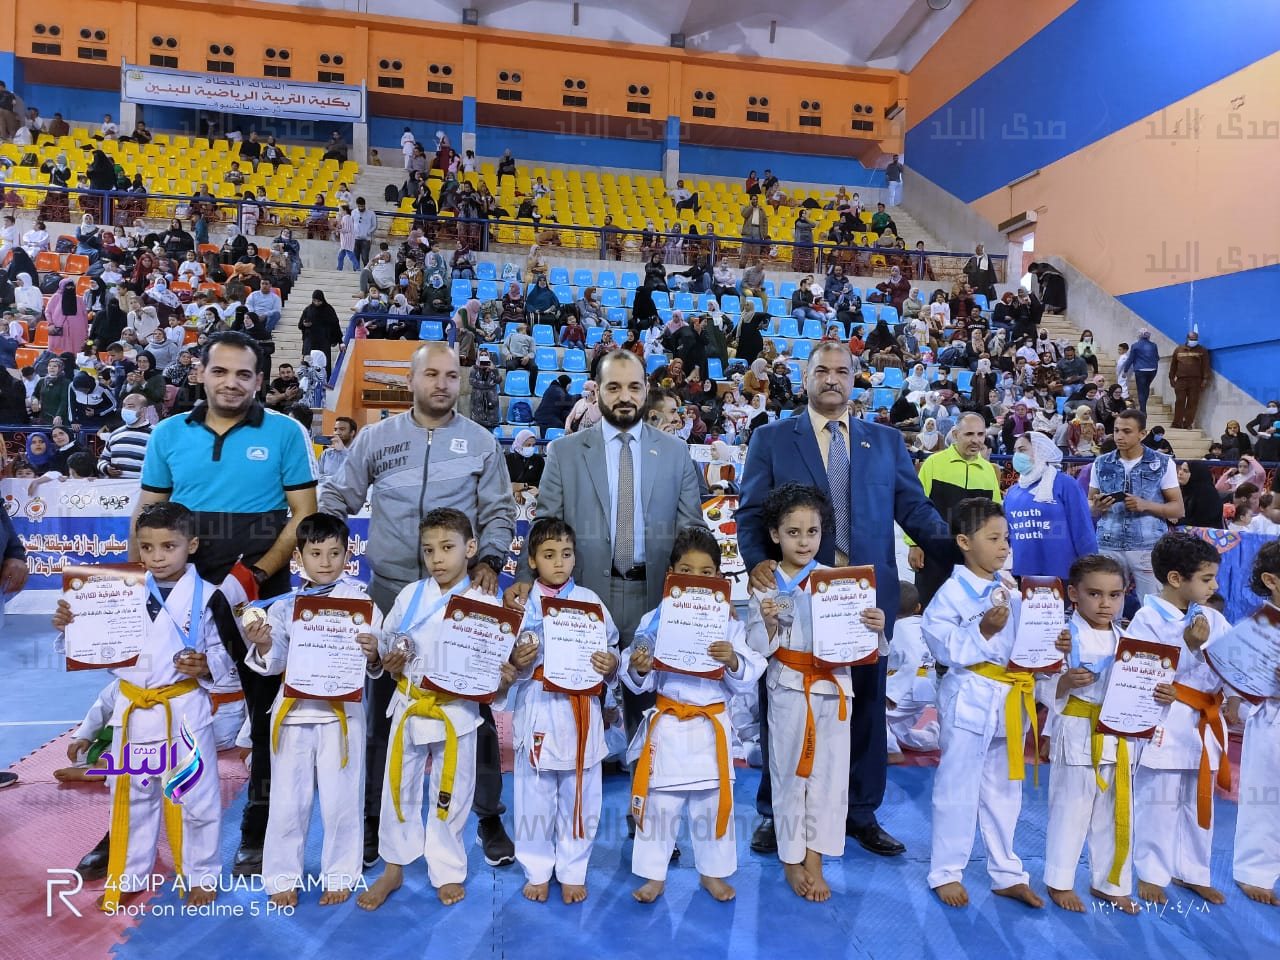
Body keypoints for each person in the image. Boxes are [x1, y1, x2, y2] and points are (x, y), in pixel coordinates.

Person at [737, 341, 953, 860]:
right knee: (785, 703)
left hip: (864, 599)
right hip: (797, 596)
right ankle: (776, 811)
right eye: (822, 371)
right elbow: (751, 513)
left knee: (867, 705)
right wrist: (758, 563)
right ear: (805, 378)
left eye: (842, 371)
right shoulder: (771, 438)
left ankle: (860, 812)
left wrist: (958, 545)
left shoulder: (887, 441)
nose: (832, 379)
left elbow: (914, 509)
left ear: (855, 379)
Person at [125, 331, 319, 879]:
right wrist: (134, 583)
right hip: (179, 586)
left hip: (257, 589)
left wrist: (257, 574)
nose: (231, 383)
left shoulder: (285, 432)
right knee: (155, 705)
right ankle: (127, 826)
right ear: (200, 373)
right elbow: (148, 513)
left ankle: (257, 822)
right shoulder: (168, 433)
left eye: (243, 374)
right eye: (220, 371)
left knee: (264, 709)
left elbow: (304, 514)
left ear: (259, 380)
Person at [318, 342, 517, 870]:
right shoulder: (376, 438)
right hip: (391, 593)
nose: (442, 384)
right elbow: (338, 496)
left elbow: (499, 511)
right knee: (385, 711)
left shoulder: (481, 443)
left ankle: (488, 814)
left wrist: (490, 559)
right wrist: (325, 536)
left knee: (474, 710)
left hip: (459, 601)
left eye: (451, 375)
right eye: (431, 374)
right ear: (411, 380)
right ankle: (374, 817)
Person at [503, 349, 705, 732]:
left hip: (654, 597)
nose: (624, 397)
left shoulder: (676, 453)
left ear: (646, 390)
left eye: (634, 387)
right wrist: (525, 579)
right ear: (597, 392)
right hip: (584, 596)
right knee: (583, 715)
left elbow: (692, 532)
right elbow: (545, 523)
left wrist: (709, 595)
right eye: (614, 387)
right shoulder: (564, 452)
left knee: (651, 718)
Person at [52, 502, 239, 909]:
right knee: (133, 797)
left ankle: (202, 874)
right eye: (147, 547)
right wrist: (72, 626)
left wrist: (207, 666)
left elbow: (230, 657)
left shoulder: (211, 597)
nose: (156, 557)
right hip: (134, 710)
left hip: (183, 709)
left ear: (191, 545)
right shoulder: (116, 590)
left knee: (196, 797)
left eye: (168, 546)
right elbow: (93, 650)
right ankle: (130, 873)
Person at [357, 508, 516, 911]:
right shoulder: (411, 595)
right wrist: (385, 659)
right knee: (398, 789)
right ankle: (393, 867)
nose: (437, 559)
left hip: (456, 712)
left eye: (447, 548)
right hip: (410, 705)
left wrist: (502, 680)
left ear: (471, 548)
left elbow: (493, 670)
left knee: (453, 794)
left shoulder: (485, 601)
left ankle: (446, 871)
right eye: (428, 550)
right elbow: (386, 643)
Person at [746, 483, 886, 902]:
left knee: (829, 779)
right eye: (793, 532)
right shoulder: (765, 585)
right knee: (789, 776)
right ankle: (791, 859)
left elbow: (872, 650)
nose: (804, 541)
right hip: (789, 688)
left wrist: (876, 628)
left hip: (834, 688)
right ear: (775, 535)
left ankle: (815, 858)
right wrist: (768, 622)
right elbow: (755, 648)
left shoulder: (840, 582)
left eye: (812, 531)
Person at [242, 514, 383, 907]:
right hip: (293, 714)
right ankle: (282, 876)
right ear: (298, 558)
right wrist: (263, 644)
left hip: (342, 716)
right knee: (288, 802)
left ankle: (340, 874)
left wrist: (374, 652)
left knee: (342, 803)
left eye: (334, 553)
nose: (325, 561)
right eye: (316, 553)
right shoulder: (285, 606)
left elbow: (376, 660)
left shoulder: (363, 603)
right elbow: (273, 661)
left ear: (348, 555)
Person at [625, 526, 765, 903]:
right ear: (671, 573)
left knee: (712, 804)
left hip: (709, 728)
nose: (696, 578)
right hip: (669, 726)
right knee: (659, 806)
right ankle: (654, 876)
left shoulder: (729, 623)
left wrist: (732, 660)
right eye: (686, 570)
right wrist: (639, 665)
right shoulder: (655, 619)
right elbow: (635, 670)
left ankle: (712, 873)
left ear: (718, 576)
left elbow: (749, 672)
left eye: (706, 572)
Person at [922, 498, 1044, 910]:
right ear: (964, 542)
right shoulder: (951, 595)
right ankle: (945, 871)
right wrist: (982, 631)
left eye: (1006, 538)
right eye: (993, 538)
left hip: (1011, 697)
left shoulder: (1011, 589)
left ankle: (1007, 872)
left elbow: (1028, 645)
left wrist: (1052, 645)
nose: (1004, 546)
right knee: (957, 787)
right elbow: (943, 648)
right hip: (970, 695)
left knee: (1005, 789)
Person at [505, 518, 620, 904]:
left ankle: (573, 869)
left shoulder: (590, 601)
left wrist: (611, 664)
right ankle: (537, 869)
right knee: (533, 797)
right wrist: (518, 661)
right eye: (549, 555)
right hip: (539, 707)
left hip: (580, 711)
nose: (559, 562)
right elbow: (505, 661)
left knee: (581, 796)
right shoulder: (521, 606)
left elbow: (612, 647)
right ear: (532, 561)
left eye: (566, 554)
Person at [1043, 555, 1153, 915]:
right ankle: (1059, 881)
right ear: (1073, 594)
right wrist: (1063, 682)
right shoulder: (1061, 636)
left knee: (1115, 813)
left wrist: (1160, 694)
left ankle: (1111, 884)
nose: (1106, 603)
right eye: (1095, 594)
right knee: (1071, 811)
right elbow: (1040, 683)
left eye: (1114, 595)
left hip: (1119, 735)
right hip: (1077, 731)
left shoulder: (1129, 639)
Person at [1127, 532, 1232, 906]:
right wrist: (1188, 646)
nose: (1214, 586)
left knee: (1198, 802)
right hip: (1165, 723)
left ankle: (1193, 872)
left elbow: (1231, 664)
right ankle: (1152, 873)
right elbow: (1140, 673)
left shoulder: (1213, 618)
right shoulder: (1147, 619)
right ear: (1175, 578)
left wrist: (1241, 687)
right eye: (1206, 578)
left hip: (1203, 722)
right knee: (1158, 803)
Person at [907, 412, 1002, 607]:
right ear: (956, 434)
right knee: (930, 608)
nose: (976, 440)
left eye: (980, 434)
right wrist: (914, 544)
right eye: (969, 434)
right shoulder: (934, 463)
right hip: (933, 554)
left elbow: (995, 517)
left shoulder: (988, 471)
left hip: (974, 559)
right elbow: (916, 506)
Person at [1088, 410, 1184, 600]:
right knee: (1106, 605)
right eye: (1116, 430)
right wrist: (1096, 507)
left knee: (1152, 606)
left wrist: (1146, 505)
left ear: (1142, 434)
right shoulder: (1101, 463)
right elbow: (1090, 501)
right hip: (1108, 543)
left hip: (1148, 545)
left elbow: (1178, 509)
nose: (1119, 436)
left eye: (1126, 431)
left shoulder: (1162, 463)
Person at [1232, 541, 1280, 904]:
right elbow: (1239, 686)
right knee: (1264, 795)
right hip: (1271, 719)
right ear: (1271, 580)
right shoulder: (1257, 626)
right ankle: (1255, 871)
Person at [1004, 431, 1097, 581]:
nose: (1017, 456)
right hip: (1023, 575)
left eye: (1022, 450)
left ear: (1040, 450)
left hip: (1064, 573)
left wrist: (1092, 570)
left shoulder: (1066, 484)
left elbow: (1082, 530)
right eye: (1015, 451)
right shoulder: (1013, 492)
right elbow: (1006, 535)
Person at [884, 583, 938, 760]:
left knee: (873, 713)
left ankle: (891, 751)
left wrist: (893, 692)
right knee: (898, 729)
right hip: (925, 688)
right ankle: (933, 738)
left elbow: (913, 661)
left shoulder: (898, 629)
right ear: (918, 607)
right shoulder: (924, 626)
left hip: (906, 689)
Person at [1168, 330, 1210, 429]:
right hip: (1181, 380)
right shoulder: (1178, 350)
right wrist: (1171, 378)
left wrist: (1205, 379)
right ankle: (1177, 423)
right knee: (1180, 401)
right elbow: (1173, 366)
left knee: (1192, 402)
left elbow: (1205, 366)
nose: (1193, 341)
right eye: (1192, 339)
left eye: (1195, 339)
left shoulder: (1202, 350)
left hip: (1196, 381)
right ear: (1187, 339)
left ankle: (1188, 423)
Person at [298, 290, 343, 371]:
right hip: (310, 341)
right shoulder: (308, 310)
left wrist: (340, 341)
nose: (316, 303)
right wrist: (304, 324)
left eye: (319, 301)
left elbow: (335, 325)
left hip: (323, 341)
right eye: (314, 300)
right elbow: (300, 324)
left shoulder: (328, 310)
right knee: (308, 363)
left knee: (324, 364)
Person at [1118, 330, 1160, 413]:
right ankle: (1143, 407)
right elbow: (1157, 358)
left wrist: (1125, 371)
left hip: (1140, 370)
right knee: (1146, 387)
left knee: (1141, 390)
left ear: (1139, 336)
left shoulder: (1135, 345)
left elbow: (1130, 359)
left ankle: (1143, 410)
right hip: (1153, 370)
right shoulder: (1154, 345)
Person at [1176, 460, 1223, 528]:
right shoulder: (1186, 490)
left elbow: (1199, 523)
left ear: (1196, 474)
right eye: (1180, 469)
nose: (1180, 473)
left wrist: (1175, 520)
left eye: (1185, 471)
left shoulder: (1207, 494)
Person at [740, 195, 769, 265]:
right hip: (748, 231)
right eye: (753, 199)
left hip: (757, 231)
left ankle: (755, 267)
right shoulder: (747, 208)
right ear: (751, 200)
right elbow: (744, 214)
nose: (755, 201)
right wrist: (751, 207)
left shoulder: (761, 210)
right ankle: (742, 266)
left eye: (756, 199)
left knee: (756, 252)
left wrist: (764, 234)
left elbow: (765, 222)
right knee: (745, 251)